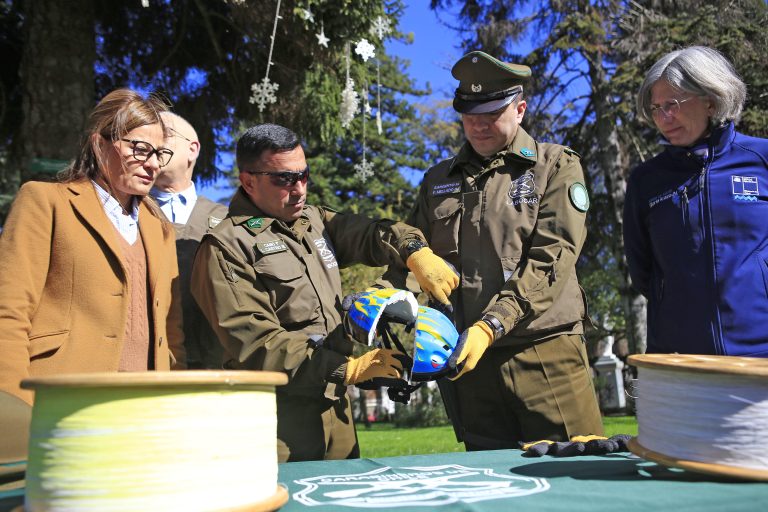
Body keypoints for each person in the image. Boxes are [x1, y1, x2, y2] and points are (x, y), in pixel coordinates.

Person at [190, 123, 458, 462]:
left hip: (336, 406)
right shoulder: (226, 246)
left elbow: (370, 234)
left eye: (304, 175)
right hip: (277, 418)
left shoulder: (313, 222)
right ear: (248, 181)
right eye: (284, 179)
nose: (299, 189)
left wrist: (414, 250)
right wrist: (348, 369)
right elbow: (253, 342)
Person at [380, 51, 603, 450]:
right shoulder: (437, 181)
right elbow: (412, 253)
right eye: (469, 114)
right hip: (470, 362)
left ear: (520, 109)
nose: (479, 124)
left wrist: (492, 324)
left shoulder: (554, 166)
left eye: (492, 113)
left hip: (544, 351)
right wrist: (383, 296)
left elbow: (552, 259)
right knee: (488, 477)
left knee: (574, 470)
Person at [0, 88, 186, 464]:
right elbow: (8, 314)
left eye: (160, 154)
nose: (153, 164)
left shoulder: (160, 228)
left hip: (145, 416)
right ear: (100, 144)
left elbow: (173, 333)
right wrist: (16, 409)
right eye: (140, 149)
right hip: (60, 408)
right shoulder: (45, 202)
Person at [624, 46, 768, 357]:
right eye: (656, 108)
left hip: (761, 353)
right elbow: (643, 272)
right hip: (679, 359)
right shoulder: (645, 181)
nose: (664, 118)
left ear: (710, 100)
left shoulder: (761, 160)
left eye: (672, 104)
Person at [151, 112, 229, 369]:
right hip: (150, 365)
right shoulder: (128, 213)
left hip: (215, 368)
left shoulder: (228, 220)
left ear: (192, 149)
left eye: (165, 133)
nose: (153, 142)